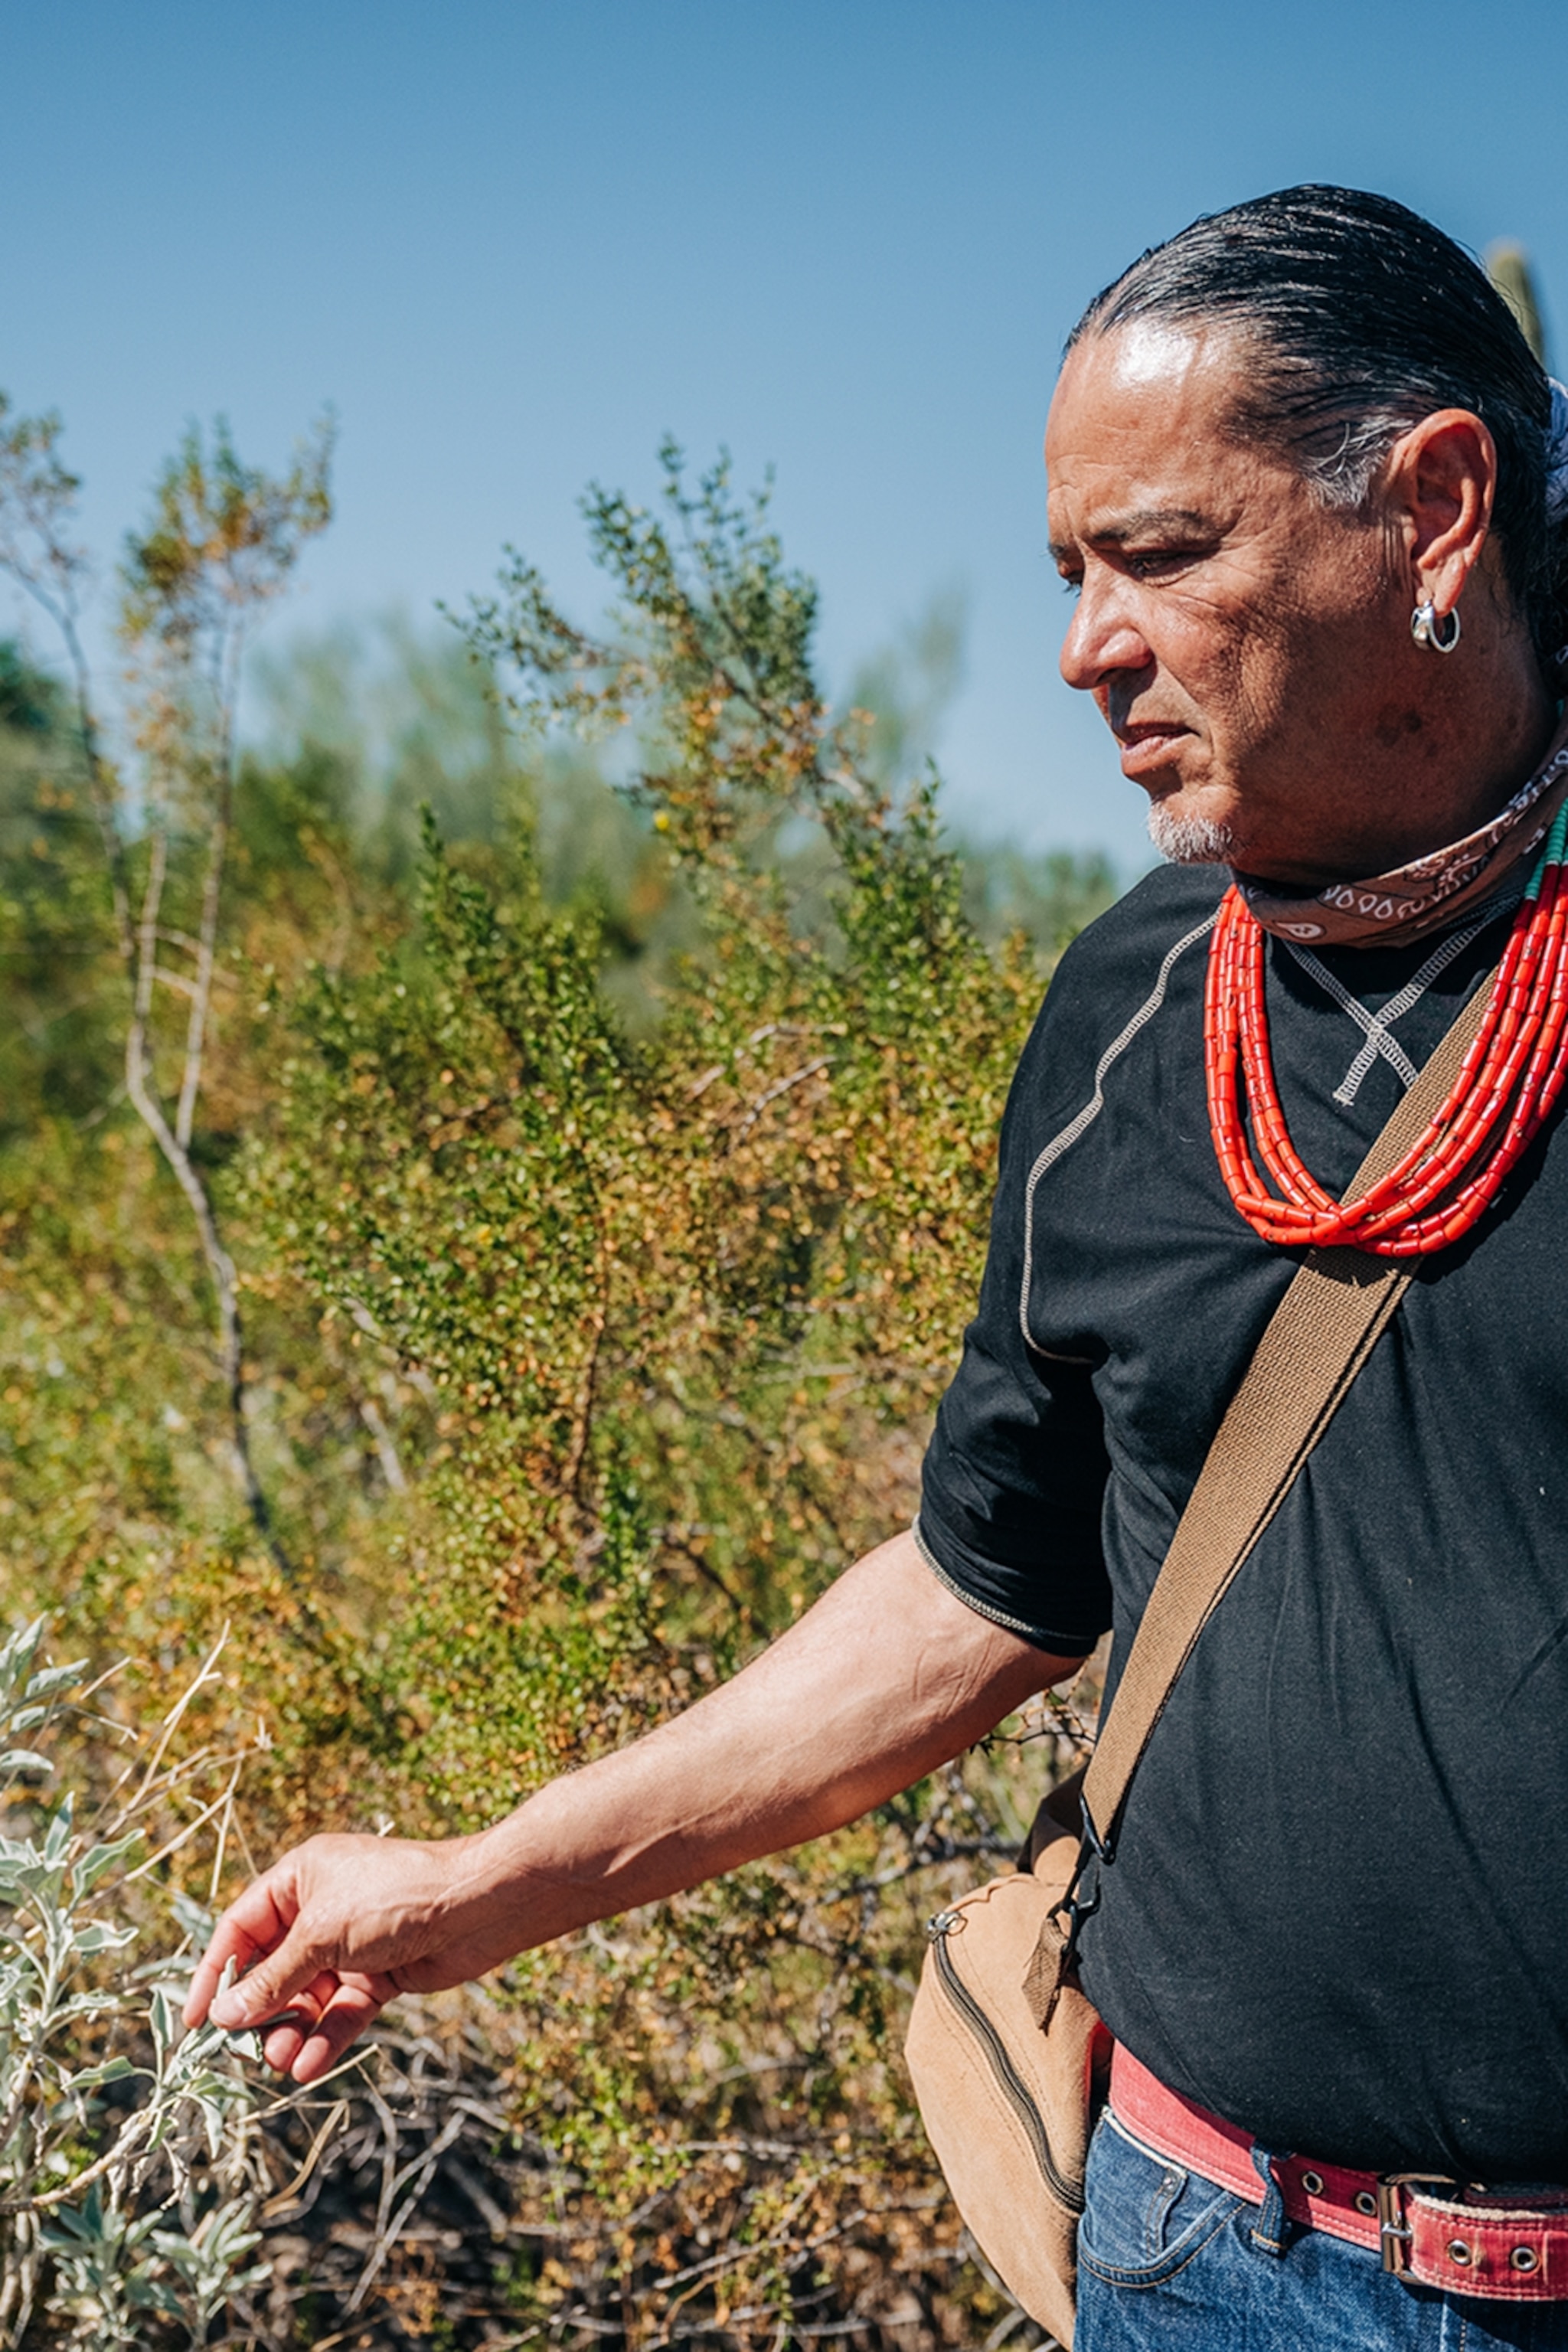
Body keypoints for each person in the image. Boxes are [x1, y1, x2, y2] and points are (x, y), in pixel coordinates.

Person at [186, 187, 1568, 2348]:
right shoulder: (1133, 1006)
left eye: (1165, 554)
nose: (1086, 645)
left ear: (1435, 510)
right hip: (1211, 2258)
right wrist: (477, 1888)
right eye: (1068, 570)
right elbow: (985, 1585)